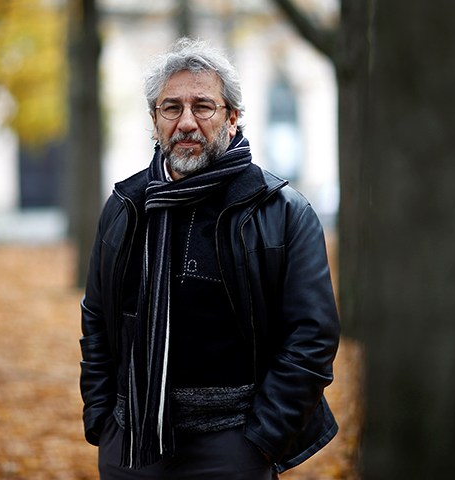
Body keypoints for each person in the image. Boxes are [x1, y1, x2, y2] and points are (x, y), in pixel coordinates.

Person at [79, 37, 340, 479]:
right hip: (131, 444)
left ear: (232, 117)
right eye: (171, 108)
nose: (186, 122)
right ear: (154, 119)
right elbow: (96, 321)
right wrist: (103, 421)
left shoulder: (280, 212)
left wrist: (263, 440)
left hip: (233, 447)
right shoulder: (126, 206)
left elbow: (311, 338)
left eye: (203, 107)